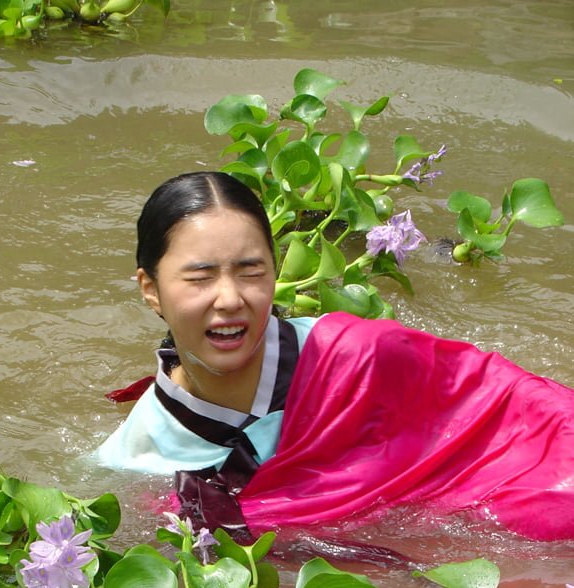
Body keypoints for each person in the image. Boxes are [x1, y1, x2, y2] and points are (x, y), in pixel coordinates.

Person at [97, 171, 574, 542]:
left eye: (250, 271)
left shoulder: (359, 357)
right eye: (199, 277)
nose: (229, 299)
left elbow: (509, 402)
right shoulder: (140, 460)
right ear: (151, 289)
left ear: (275, 272)